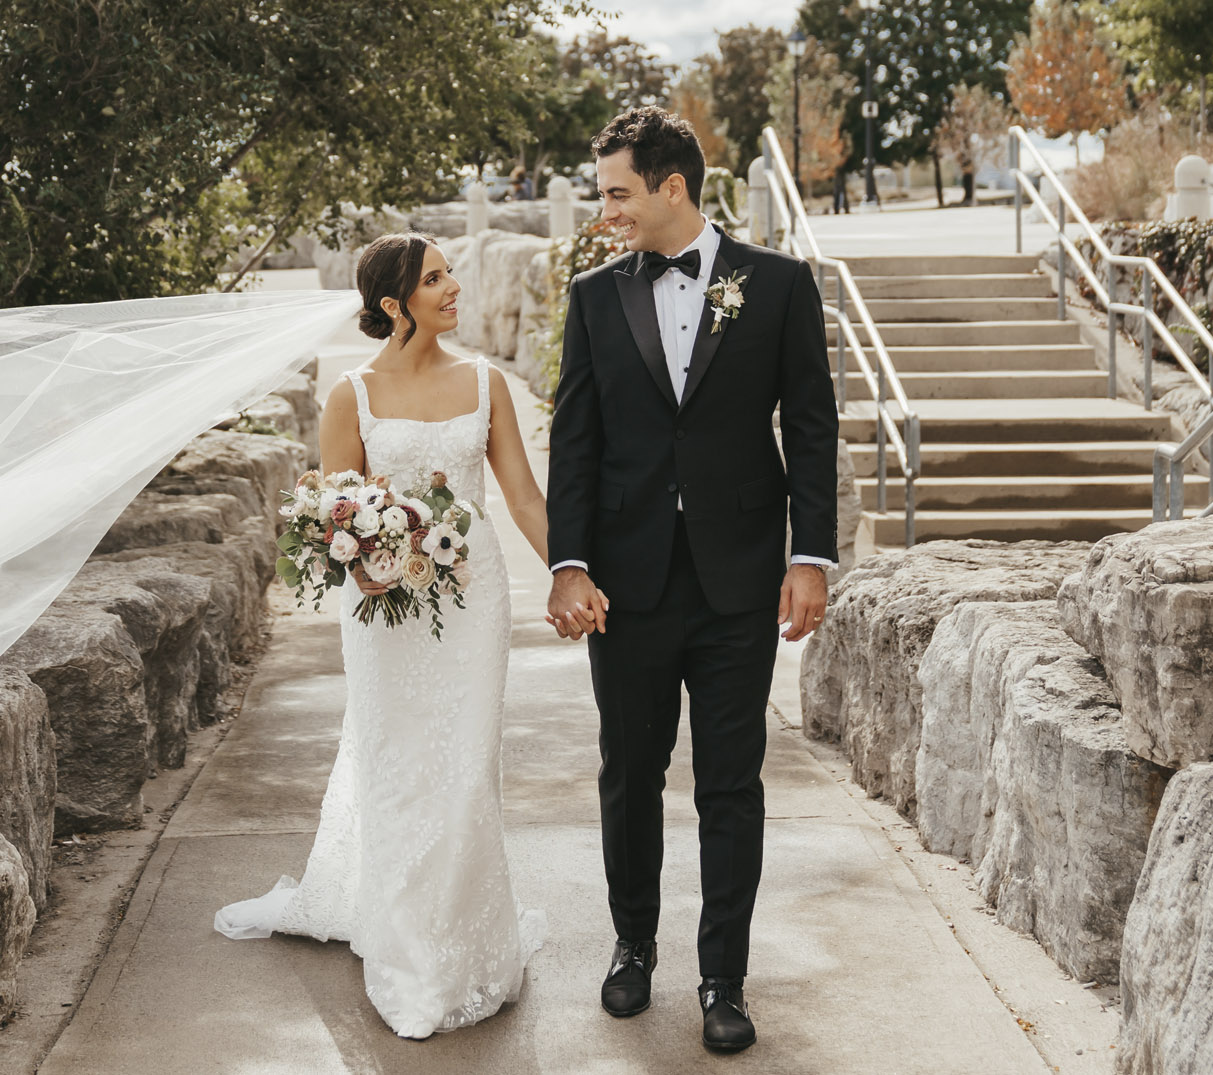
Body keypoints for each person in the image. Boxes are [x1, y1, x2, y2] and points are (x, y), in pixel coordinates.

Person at [213, 233, 576, 1040]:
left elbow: (520, 495)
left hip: (473, 598)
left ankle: (468, 945)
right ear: (392, 303)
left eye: (452, 274)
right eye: (436, 278)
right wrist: (367, 565)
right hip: (384, 611)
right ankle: (409, 950)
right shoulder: (353, 394)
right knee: (399, 765)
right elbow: (333, 514)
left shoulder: (487, 382)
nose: (455, 288)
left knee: (468, 765)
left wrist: (571, 572)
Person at [544, 106, 839, 1054]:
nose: (608, 214)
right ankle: (633, 945)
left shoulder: (781, 285)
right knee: (629, 775)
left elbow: (813, 425)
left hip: (739, 582)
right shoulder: (594, 296)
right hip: (624, 585)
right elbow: (576, 438)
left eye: (619, 194)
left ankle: (724, 976)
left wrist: (810, 555)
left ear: (673, 186)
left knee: (731, 782)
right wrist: (568, 561)